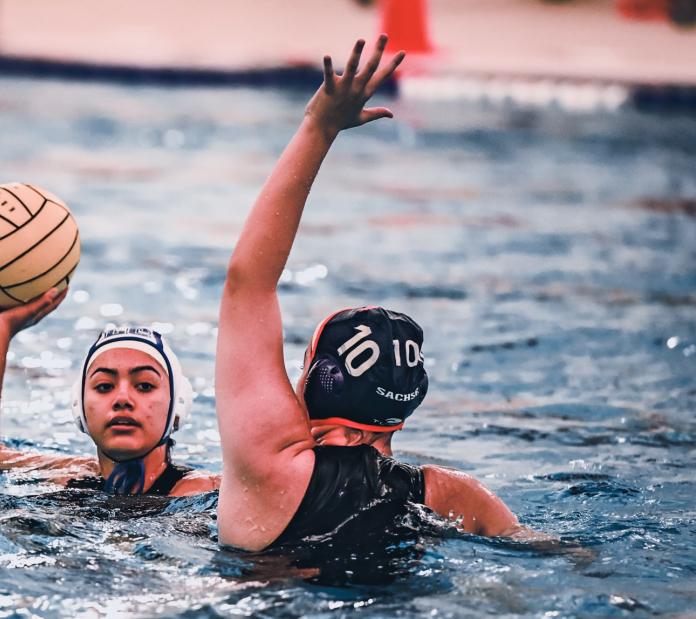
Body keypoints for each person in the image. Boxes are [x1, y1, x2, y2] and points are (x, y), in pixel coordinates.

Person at [214, 35, 535, 551]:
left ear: (317, 378)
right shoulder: (454, 497)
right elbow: (564, 555)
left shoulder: (269, 466)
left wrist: (318, 127)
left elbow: (248, 284)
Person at [0, 287, 218, 496]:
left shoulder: (209, 492)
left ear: (178, 405)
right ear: (80, 407)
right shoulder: (67, 475)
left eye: (144, 386)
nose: (122, 399)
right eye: (104, 386)